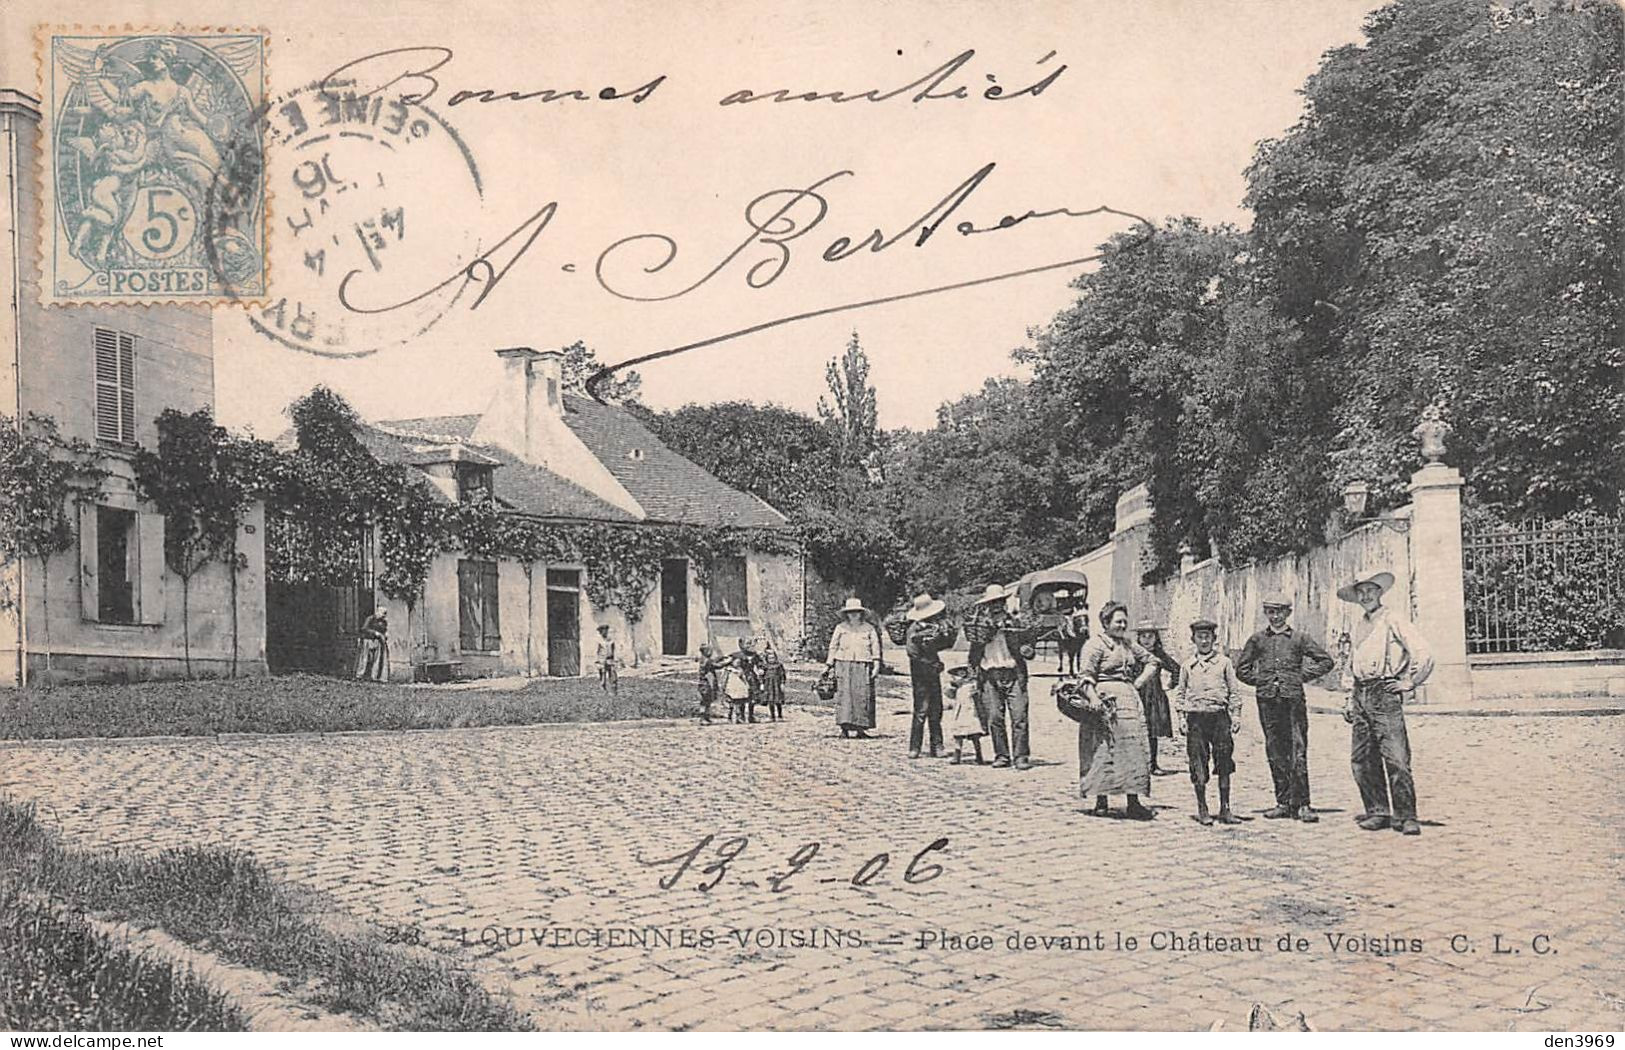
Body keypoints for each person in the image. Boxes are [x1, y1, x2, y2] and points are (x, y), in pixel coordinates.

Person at [1339, 572, 1434, 836]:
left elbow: (1423, 652)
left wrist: (1409, 682)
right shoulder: (1359, 624)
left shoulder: (1393, 618)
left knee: (1397, 757)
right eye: (1361, 592)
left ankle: (1406, 815)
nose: (1366, 596)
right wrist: (1349, 697)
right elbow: (1351, 663)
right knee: (1362, 758)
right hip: (1361, 694)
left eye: (1371, 590)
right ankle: (1377, 810)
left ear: (1380, 592)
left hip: (1384, 691)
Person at [1235, 593, 1336, 823]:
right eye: (1271, 611)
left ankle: (1303, 804)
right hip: (1268, 702)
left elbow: (1326, 661)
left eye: (1280, 611)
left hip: (1293, 701)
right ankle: (1283, 802)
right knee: (1275, 751)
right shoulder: (1257, 640)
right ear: (1266, 613)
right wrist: (1261, 681)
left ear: (1288, 613)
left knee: (1297, 751)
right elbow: (1242, 669)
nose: (1275, 616)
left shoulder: (1300, 638)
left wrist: (1299, 676)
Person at [1075, 601, 1160, 818]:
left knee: (1133, 750)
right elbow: (1085, 676)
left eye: (1124, 621)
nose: (1122, 625)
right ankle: (1100, 800)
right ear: (1105, 623)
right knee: (1103, 750)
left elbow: (1152, 661)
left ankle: (1133, 800)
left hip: (1129, 704)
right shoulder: (1094, 645)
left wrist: (1138, 683)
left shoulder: (1129, 644)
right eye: (1118, 621)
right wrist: (1093, 698)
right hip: (1103, 703)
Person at [1175, 619, 1244, 826]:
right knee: (1198, 763)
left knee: (1224, 761)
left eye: (1207, 637)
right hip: (1196, 718)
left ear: (1214, 639)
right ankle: (1202, 808)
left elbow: (1234, 692)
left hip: (1219, 718)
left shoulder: (1224, 663)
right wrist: (1181, 718)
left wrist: (1236, 715)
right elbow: (1180, 694)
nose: (1204, 641)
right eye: (1200, 637)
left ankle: (1225, 808)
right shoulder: (1187, 666)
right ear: (1193, 639)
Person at [968, 584, 1036, 770]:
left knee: (1019, 716)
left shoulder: (1015, 624)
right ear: (987, 606)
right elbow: (973, 655)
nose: (996, 606)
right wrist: (972, 677)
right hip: (990, 675)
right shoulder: (979, 628)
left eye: (999, 602)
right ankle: (1002, 755)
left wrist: (1027, 650)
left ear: (1004, 603)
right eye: (992, 603)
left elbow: (1029, 645)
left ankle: (1021, 756)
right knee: (995, 718)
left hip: (1014, 674)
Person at [903, 592, 957, 758]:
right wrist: (933, 663)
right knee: (921, 709)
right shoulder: (914, 630)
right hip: (920, 673)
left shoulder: (932, 628)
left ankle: (937, 745)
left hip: (932, 672)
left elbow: (942, 645)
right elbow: (913, 654)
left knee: (936, 709)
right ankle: (915, 746)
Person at [826, 598, 880, 738]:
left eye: (856, 612)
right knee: (845, 697)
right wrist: (829, 664)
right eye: (851, 612)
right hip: (843, 664)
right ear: (847, 614)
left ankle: (861, 729)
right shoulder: (841, 628)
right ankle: (844, 728)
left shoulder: (869, 628)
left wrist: (876, 665)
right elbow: (833, 646)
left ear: (861, 613)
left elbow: (875, 647)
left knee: (862, 696)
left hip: (863, 664)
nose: (854, 615)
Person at [1135, 622, 1180, 776]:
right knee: (1136, 730)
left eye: (1150, 636)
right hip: (1137, 694)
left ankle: (1153, 764)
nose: (1147, 640)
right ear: (1139, 638)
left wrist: (1171, 684)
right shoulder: (1134, 654)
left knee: (1152, 732)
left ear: (1156, 638)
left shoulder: (1159, 654)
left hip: (1154, 696)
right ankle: (1137, 765)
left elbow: (1176, 669)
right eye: (1143, 636)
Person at [944, 665, 987, 765]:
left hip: (972, 711)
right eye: (959, 672)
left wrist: (976, 691)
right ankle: (957, 755)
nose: (962, 673)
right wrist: (952, 686)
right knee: (958, 734)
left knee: (975, 734)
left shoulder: (973, 683)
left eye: (964, 671)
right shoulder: (957, 685)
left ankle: (979, 755)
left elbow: (979, 694)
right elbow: (949, 695)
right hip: (960, 712)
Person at [722, 638, 760, 723]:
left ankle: (751, 716)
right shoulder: (735, 655)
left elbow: (760, 664)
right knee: (741, 697)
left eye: (750, 644)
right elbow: (727, 664)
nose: (749, 646)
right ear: (741, 645)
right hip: (740, 677)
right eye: (747, 644)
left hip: (751, 677)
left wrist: (761, 669)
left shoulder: (754, 655)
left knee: (752, 697)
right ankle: (741, 716)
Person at [355, 608, 388, 682]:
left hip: (378, 641)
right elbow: (364, 628)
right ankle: (360, 675)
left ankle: (374, 676)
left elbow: (384, 629)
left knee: (377, 659)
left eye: (385, 614)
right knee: (364, 658)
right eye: (383, 613)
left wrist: (385, 634)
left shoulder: (384, 621)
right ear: (378, 612)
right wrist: (375, 633)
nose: (384, 616)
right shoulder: (370, 619)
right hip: (368, 640)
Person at [696, 644, 725, 725]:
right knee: (705, 701)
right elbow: (717, 666)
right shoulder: (707, 661)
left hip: (703, 683)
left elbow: (714, 661)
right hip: (707, 683)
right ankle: (702, 718)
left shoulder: (703, 659)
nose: (711, 652)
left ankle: (706, 717)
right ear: (706, 651)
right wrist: (727, 662)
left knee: (707, 701)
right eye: (710, 651)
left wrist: (720, 659)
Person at [758, 642, 788, 721]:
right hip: (768, 685)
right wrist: (762, 683)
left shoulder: (778, 665)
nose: (771, 660)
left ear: (776, 658)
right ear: (767, 659)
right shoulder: (765, 666)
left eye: (773, 658)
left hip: (776, 684)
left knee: (778, 700)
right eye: (770, 658)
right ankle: (772, 716)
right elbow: (761, 675)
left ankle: (780, 715)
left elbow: (782, 675)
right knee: (770, 701)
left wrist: (782, 683)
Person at [1057, 604, 1089, 677]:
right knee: (1065, 625)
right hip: (1069, 616)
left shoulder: (1080, 606)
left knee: (1084, 625)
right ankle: (1069, 668)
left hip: (1077, 616)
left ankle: (1079, 668)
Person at [595, 624, 618, 696]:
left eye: (606, 631)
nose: (605, 632)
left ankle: (613, 690)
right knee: (603, 676)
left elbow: (614, 650)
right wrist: (597, 662)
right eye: (603, 631)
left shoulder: (610, 640)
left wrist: (615, 659)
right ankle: (603, 690)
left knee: (613, 675)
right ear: (600, 632)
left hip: (610, 659)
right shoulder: (598, 641)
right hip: (601, 660)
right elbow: (596, 651)